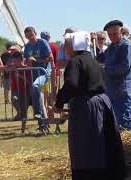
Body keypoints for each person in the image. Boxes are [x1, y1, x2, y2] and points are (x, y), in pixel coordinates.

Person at [54, 31, 126, 180]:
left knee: (86, 145)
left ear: (74, 45)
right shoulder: (93, 61)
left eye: (66, 45)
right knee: (103, 142)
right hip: (102, 103)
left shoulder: (75, 62)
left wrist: (59, 102)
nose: (65, 49)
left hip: (85, 107)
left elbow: (71, 84)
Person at [98, 20, 131, 130]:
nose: (112, 37)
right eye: (109, 35)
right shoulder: (111, 47)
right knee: (113, 122)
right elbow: (99, 58)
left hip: (123, 92)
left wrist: (106, 69)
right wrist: (95, 44)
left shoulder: (126, 46)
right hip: (111, 91)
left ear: (121, 31)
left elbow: (124, 67)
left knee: (124, 122)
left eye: (115, 34)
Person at [23, 26, 54, 132]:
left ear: (35, 33)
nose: (30, 38)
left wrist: (36, 60)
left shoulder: (43, 43)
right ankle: (43, 126)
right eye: (27, 36)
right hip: (33, 73)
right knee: (39, 98)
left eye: (31, 35)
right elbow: (26, 61)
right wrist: (27, 62)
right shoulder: (27, 46)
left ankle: (37, 112)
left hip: (44, 72)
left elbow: (51, 58)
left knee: (35, 86)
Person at [9, 51, 31, 133]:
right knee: (14, 99)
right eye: (13, 61)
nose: (15, 63)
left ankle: (23, 129)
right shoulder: (12, 68)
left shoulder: (26, 69)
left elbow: (29, 82)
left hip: (25, 91)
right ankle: (19, 113)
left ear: (21, 60)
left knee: (24, 108)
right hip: (15, 90)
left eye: (16, 61)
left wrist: (20, 76)